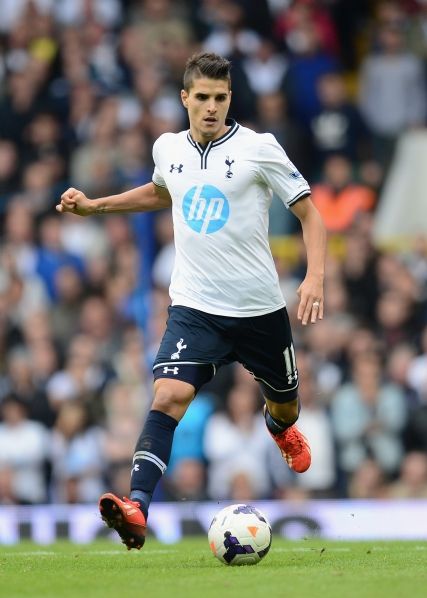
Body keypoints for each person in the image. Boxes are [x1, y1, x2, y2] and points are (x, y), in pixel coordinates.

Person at [56, 52, 326, 550]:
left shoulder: (259, 148)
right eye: (202, 97)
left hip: (259, 310)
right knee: (167, 396)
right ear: (185, 98)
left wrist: (314, 278)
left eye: (220, 98)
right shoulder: (167, 148)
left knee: (286, 405)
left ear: (230, 99)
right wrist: (96, 206)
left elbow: (311, 215)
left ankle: (279, 426)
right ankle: (138, 507)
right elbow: (164, 192)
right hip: (196, 308)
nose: (211, 107)